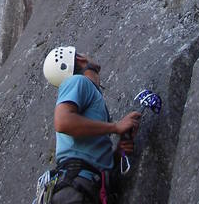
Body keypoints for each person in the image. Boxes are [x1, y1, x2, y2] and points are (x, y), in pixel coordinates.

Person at [42, 46, 142, 203]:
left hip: (87, 186)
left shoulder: (90, 95)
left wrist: (118, 152)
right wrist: (116, 127)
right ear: (80, 59)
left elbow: (87, 154)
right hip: (76, 188)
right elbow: (63, 122)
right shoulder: (77, 81)